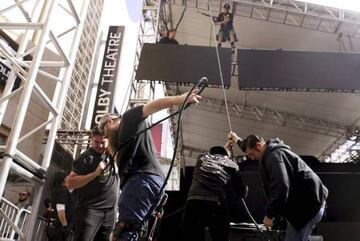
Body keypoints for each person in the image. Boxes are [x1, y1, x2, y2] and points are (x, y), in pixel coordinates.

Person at [98, 91, 201, 241]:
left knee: (124, 232)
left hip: (141, 182)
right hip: (151, 183)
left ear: (110, 121)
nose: (105, 137)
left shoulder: (127, 119)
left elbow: (151, 106)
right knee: (134, 232)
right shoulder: (121, 143)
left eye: (105, 133)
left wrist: (179, 99)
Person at [228, 132, 328, 241]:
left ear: (258, 146)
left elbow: (281, 187)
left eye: (252, 154)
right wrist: (237, 139)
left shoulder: (274, 156)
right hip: (308, 203)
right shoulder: (271, 152)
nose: (251, 158)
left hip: (309, 206)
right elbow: (247, 145)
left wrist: (269, 215)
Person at [181, 142, 248, 241]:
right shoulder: (232, 165)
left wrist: (225, 150)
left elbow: (217, 154)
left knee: (191, 237)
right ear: (227, 156)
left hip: (194, 202)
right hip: (215, 203)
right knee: (220, 237)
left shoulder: (201, 157)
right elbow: (242, 192)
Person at [67, 126, 119, 241]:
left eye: (103, 142)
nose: (100, 145)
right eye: (97, 142)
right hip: (90, 211)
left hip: (110, 213)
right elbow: (70, 183)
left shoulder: (111, 153)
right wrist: (95, 173)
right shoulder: (86, 158)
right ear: (91, 140)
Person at [51, 171, 74, 241]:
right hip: (61, 228)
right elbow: (60, 210)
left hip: (59, 227)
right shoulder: (62, 191)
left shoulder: (58, 190)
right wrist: (65, 226)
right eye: (68, 176)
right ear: (65, 179)